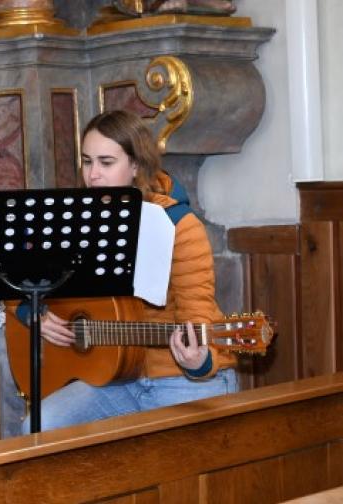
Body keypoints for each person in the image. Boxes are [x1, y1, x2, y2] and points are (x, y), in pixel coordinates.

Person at [20, 110, 238, 434]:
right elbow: (18, 282)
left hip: (180, 379)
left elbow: (198, 314)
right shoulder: (76, 220)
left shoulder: (179, 226)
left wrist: (199, 361)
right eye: (87, 162)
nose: (93, 175)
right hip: (116, 379)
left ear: (136, 166)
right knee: (37, 428)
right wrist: (34, 312)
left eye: (106, 163)